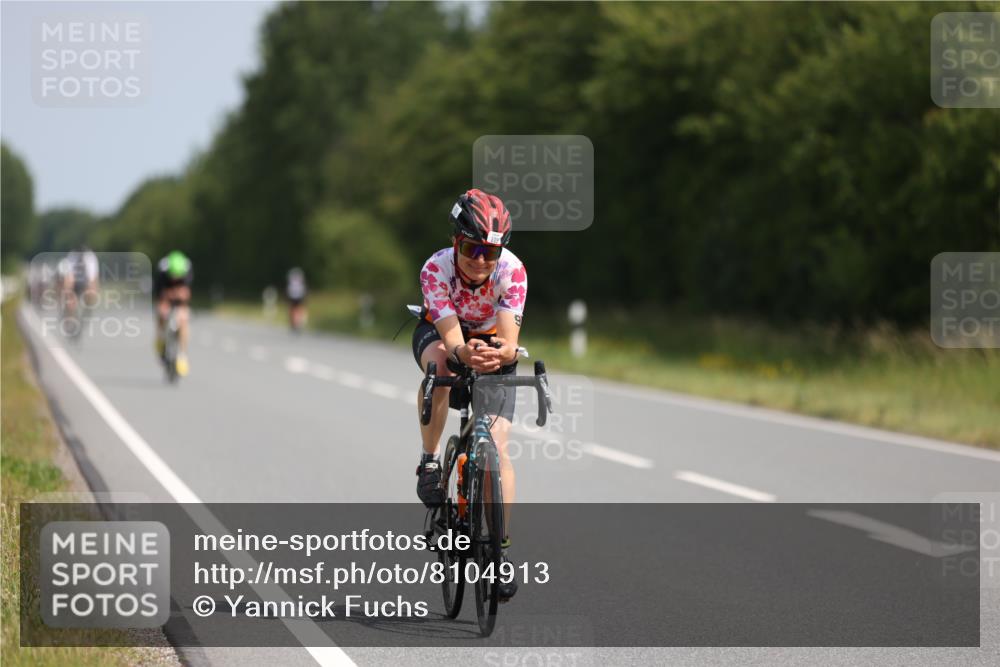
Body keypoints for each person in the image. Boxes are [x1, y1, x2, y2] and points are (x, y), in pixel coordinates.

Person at [413, 188, 527, 601]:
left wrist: (500, 353)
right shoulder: (435, 270)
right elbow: (453, 340)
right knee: (441, 366)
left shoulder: (512, 271)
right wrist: (464, 351)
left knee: (498, 445)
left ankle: (499, 551)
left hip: (492, 344)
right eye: (471, 248)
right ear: (455, 241)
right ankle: (428, 462)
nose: (480, 260)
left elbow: (510, 342)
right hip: (444, 335)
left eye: (489, 253)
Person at [153, 250, 193, 376]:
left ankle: (182, 356)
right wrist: (167, 298)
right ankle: (160, 338)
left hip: (179, 298)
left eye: (178, 276)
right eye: (173, 276)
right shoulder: (162, 271)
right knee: (162, 312)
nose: (175, 278)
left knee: (184, 318)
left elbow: (186, 294)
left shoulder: (187, 269)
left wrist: (179, 295)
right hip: (164, 293)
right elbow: (160, 294)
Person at [58, 245, 99, 322]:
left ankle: (86, 311)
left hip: (85, 281)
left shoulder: (90, 257)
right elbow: (69, 276)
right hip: (74, 280)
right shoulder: (72, 255)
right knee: (68, 292)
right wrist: (68, 291)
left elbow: (93, 277)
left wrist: (92, 290)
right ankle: (69, 313)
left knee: (91, 293)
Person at [286, 267, 308, 331]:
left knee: (293, 309)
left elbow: (288, 289)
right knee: (298, 308)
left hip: (293, 296)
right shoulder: (300, 279)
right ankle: (299, 321)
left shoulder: (291, 279)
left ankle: (295, 322)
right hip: (299, 296)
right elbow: (304, 288)